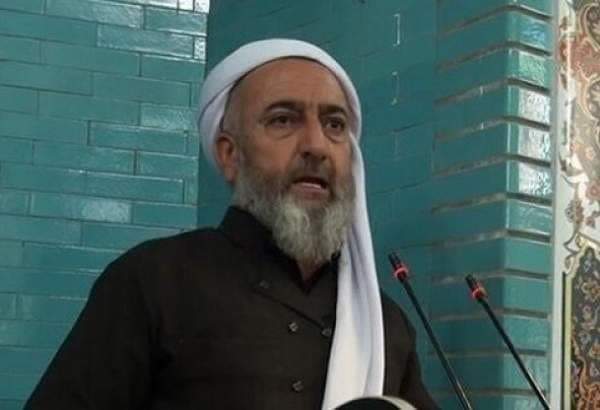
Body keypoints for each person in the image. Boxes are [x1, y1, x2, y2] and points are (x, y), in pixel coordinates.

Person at [25, 39, 438, 410]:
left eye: (334, 125)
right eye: (283, 120)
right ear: (229, 154)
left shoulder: (381, 325)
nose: (316, 145)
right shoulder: (154, 282)